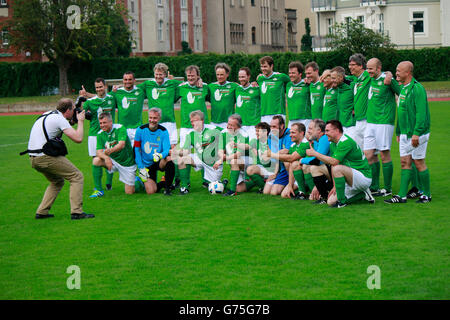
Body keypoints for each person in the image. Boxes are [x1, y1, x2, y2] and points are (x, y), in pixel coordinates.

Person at [25, 98, 94, 220]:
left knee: (57, 181)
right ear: (68, 110)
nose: (74, 112)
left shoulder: (48, 114)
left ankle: (42, 212)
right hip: (44, 157)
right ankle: (77, 212)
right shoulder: (59, 119)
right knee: (76, 176)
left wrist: (71, 122)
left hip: (33, 158)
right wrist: (81, 121)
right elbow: (78, 138)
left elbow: (56, 127)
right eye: (73, 109)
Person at [384, 61, 431, 204]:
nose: (396, 73)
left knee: (418, 162)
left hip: (417, 133)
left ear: (408, 72)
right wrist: (399, 131)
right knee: (405, 162)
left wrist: (416, 133)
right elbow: (402, 112)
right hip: (404, 133)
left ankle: (426, 195)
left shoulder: (417, 89)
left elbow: (421, 113)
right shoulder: (403, 88)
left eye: (399, 71)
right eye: (396, 71)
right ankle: (402, 196)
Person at [306, 120, 374, 208]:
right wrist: (335, 186)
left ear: (337, 131)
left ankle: (342, 202)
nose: (325, 133)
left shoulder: (345, 142)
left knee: (337, 168)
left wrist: (315, 153)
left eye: (327, 131)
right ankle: (363, 194)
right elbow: (333, 164)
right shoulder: (333, 143)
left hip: (362, 177)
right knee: (330, 202)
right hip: (349, 176)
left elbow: (334, 162)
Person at [364, 58, 396, 197]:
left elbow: (403, 92)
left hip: (384, 122)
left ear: (379, 68)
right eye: (367, 68)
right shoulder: (370, 78)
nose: (369, 71)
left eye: (371, 68)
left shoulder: (388, 80)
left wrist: (390, 75)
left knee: (384, 154)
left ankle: (388, 188)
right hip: (370, 122)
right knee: (369, 154)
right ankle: (375, 186)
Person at [174, 110, 222, 195]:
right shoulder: (190, 134)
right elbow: (186, 151)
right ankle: (185, 186)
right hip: (199, 159)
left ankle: (222, 182)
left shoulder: (213, 129)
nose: (192, 123)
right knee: (182, 159)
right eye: (191, 121)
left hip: (213, 164)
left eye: (195, 120)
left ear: (202, 120)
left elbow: (228, 134)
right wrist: (175, 152)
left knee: (215, 188)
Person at [82, 78, 116, 196]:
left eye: (101, 87)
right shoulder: (90, 102)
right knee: (96, 160)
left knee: (108, 157)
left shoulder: (112, 98)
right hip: (94, 135)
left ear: (105, 86)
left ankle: (108, 182)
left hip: (108, 134)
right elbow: (79, 110)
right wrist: (82, 98)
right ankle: (98, 188)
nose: (99, 89)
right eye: (97, 87)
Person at [92, 112, 137, 195]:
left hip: (127, 163)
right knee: (96, 160)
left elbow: (121, 145)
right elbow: (98, 152)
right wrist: (106, 158)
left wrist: (109, 151)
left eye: (104, 122)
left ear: (111, 122)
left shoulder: (120, 128)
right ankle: (98, 190)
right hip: (113, 161)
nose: (102, 125)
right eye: (101, 123)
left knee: (129, 192)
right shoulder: (100, 134)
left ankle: (138, 182)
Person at [134, 108, 175, 196]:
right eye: (150, 118)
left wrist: (160, 155)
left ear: (159, 118)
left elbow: (167, 149)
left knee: (170, 158)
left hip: (158, 161)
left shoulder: (163, 131)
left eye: (155, 118)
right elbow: (136, 150)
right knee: (151, 191)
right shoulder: (140, 130)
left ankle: (167, 189)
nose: (152, 120)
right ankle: (162, 183)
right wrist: (141, 168)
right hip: (146, 165)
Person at [140, 63, 182, 147]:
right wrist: (119, 87)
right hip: (154, 122)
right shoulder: (148, 84)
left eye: (160, 74)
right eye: (156, 74)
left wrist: (199, 80)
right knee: (156, 147)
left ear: (165, 75)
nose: (158, 76)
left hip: (169, 121)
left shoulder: (172, 83)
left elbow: (187, 85)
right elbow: (133, 89)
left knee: (172, 147)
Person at [265, 122, 310, 199]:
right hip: (298, 173)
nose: (290, 135)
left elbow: (291, 158)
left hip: (308, 174)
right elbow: (291, 163)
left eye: (293, 133)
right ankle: (300, 190)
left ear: (302, 133)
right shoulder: (293, 146)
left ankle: (305, 189)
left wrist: (272, 154)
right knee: (282, 194)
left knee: (295, 163)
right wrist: (290, 184)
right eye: (290, 132)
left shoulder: (305, 144)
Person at [176, 65, 210, 148]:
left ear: (198, 76)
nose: (190, 78)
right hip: (186, 125)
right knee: (183, 152)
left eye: (193, 76)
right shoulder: (181, 87)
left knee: (204, 152)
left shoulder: (205, 87)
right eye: (188, 76)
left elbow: (211, 99)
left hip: (202, 125)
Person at [217, 114, 250, 196]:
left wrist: (222, 159)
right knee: (239, 189)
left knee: (234, 161)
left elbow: (238, 154)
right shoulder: (223, 133)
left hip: (247, 161)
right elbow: (220, 150)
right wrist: (222, 156)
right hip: (235, 162)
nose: (228, 126)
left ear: (238, 127)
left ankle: (232, 191)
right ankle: (253, 182)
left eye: (232, 125)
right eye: (228, 124)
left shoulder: (243, 135)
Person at [111, 71, 147, 146]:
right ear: (123, 80)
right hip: (122, 128)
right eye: (125, 80)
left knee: (137, 153)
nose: (127, 81)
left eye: (130, 79)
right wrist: (87, 95)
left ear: (134, 80)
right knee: (124, 155)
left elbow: (155, 84)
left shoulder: (140, 90)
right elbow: (103, 98)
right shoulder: (117, 92)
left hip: (137, 128)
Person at [301, 119, 332, 204]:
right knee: (306, 166)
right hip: (329, 170)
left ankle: (324, 197)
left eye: (310, 128)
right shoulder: (317, 140)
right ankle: (315, 193)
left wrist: (302, 160)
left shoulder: (324, 139)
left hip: (335, 171)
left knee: (314, 167)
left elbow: (317, 161)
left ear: (319, 130)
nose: (308, 131)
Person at [262, 115, 292, 195]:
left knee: (274, 192)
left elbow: (287, 151)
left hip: (290, 168)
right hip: (279, 169)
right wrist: (274, 173)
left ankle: (295, 184)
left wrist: (271, 154)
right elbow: (272, 157)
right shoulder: (271, 137)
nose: (272, 129)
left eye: (274, 126)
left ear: (282, 126)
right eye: (271, 126)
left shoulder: (290, 134)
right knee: (266, 192)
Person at [257, 56, 290, 124]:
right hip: (264, 115)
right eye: (262, 67)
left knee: (275, 135)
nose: (263, 69)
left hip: (278, 114)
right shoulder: (260, 78)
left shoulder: (281, 77)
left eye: (265, 66)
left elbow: (294, 82)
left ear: (271, 66)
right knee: (263, 134)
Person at [246, 122, 276, 193]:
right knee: (250, 169)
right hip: (262, 170)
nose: (256, 133)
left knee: (272, 192)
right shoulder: (255, 142)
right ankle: (263, 186)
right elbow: (247, 146)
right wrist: (237, 145)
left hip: (271, 171)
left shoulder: (272, 143)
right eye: (256, 131)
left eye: (258, 131)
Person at [348, 53, 371, 148]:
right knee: (360, 151)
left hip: (367, 119)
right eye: (349, 65)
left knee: (369, 152)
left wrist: (388, 75)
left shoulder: (368, 75)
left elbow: (380, 74)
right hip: (358, 119)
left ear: (361, 66)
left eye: (353, 65)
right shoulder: (355, 79)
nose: (350, 67)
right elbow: (340, 76)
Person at [208, 63, 238, 129]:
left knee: (228, 139)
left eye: (221, 74)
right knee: (215, 139)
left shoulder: (234, 86)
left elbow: (245, 88)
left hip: (229, 122)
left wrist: (254, 84)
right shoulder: (210, 87)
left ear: (227, 74)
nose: (219, 77)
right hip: (214, 122)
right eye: (217, 74)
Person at [235, 67, 261, 140]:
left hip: (253, 125)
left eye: (243, 77)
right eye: (239, 77)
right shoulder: (236, 88)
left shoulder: (256, 89)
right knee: (240, 149)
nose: (241, 79)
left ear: (248, 76)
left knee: (253, 148)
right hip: (240, 125)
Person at [331, 66, 356, 138]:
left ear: (341, 77)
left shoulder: (351, 85)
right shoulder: (339, 86)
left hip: (351, 125)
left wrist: (388, 74)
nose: (332, 80)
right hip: (341, 125)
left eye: (333, 78)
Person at [286, 61, 311, 129]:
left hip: (304, 120)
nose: (291, 75)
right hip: (291, 120)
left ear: (300, 74)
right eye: (290, 73)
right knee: (263, 139)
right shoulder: (288, 85)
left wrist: (310, 81)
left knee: (304, 139)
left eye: (293, 73)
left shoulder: (307, 84)